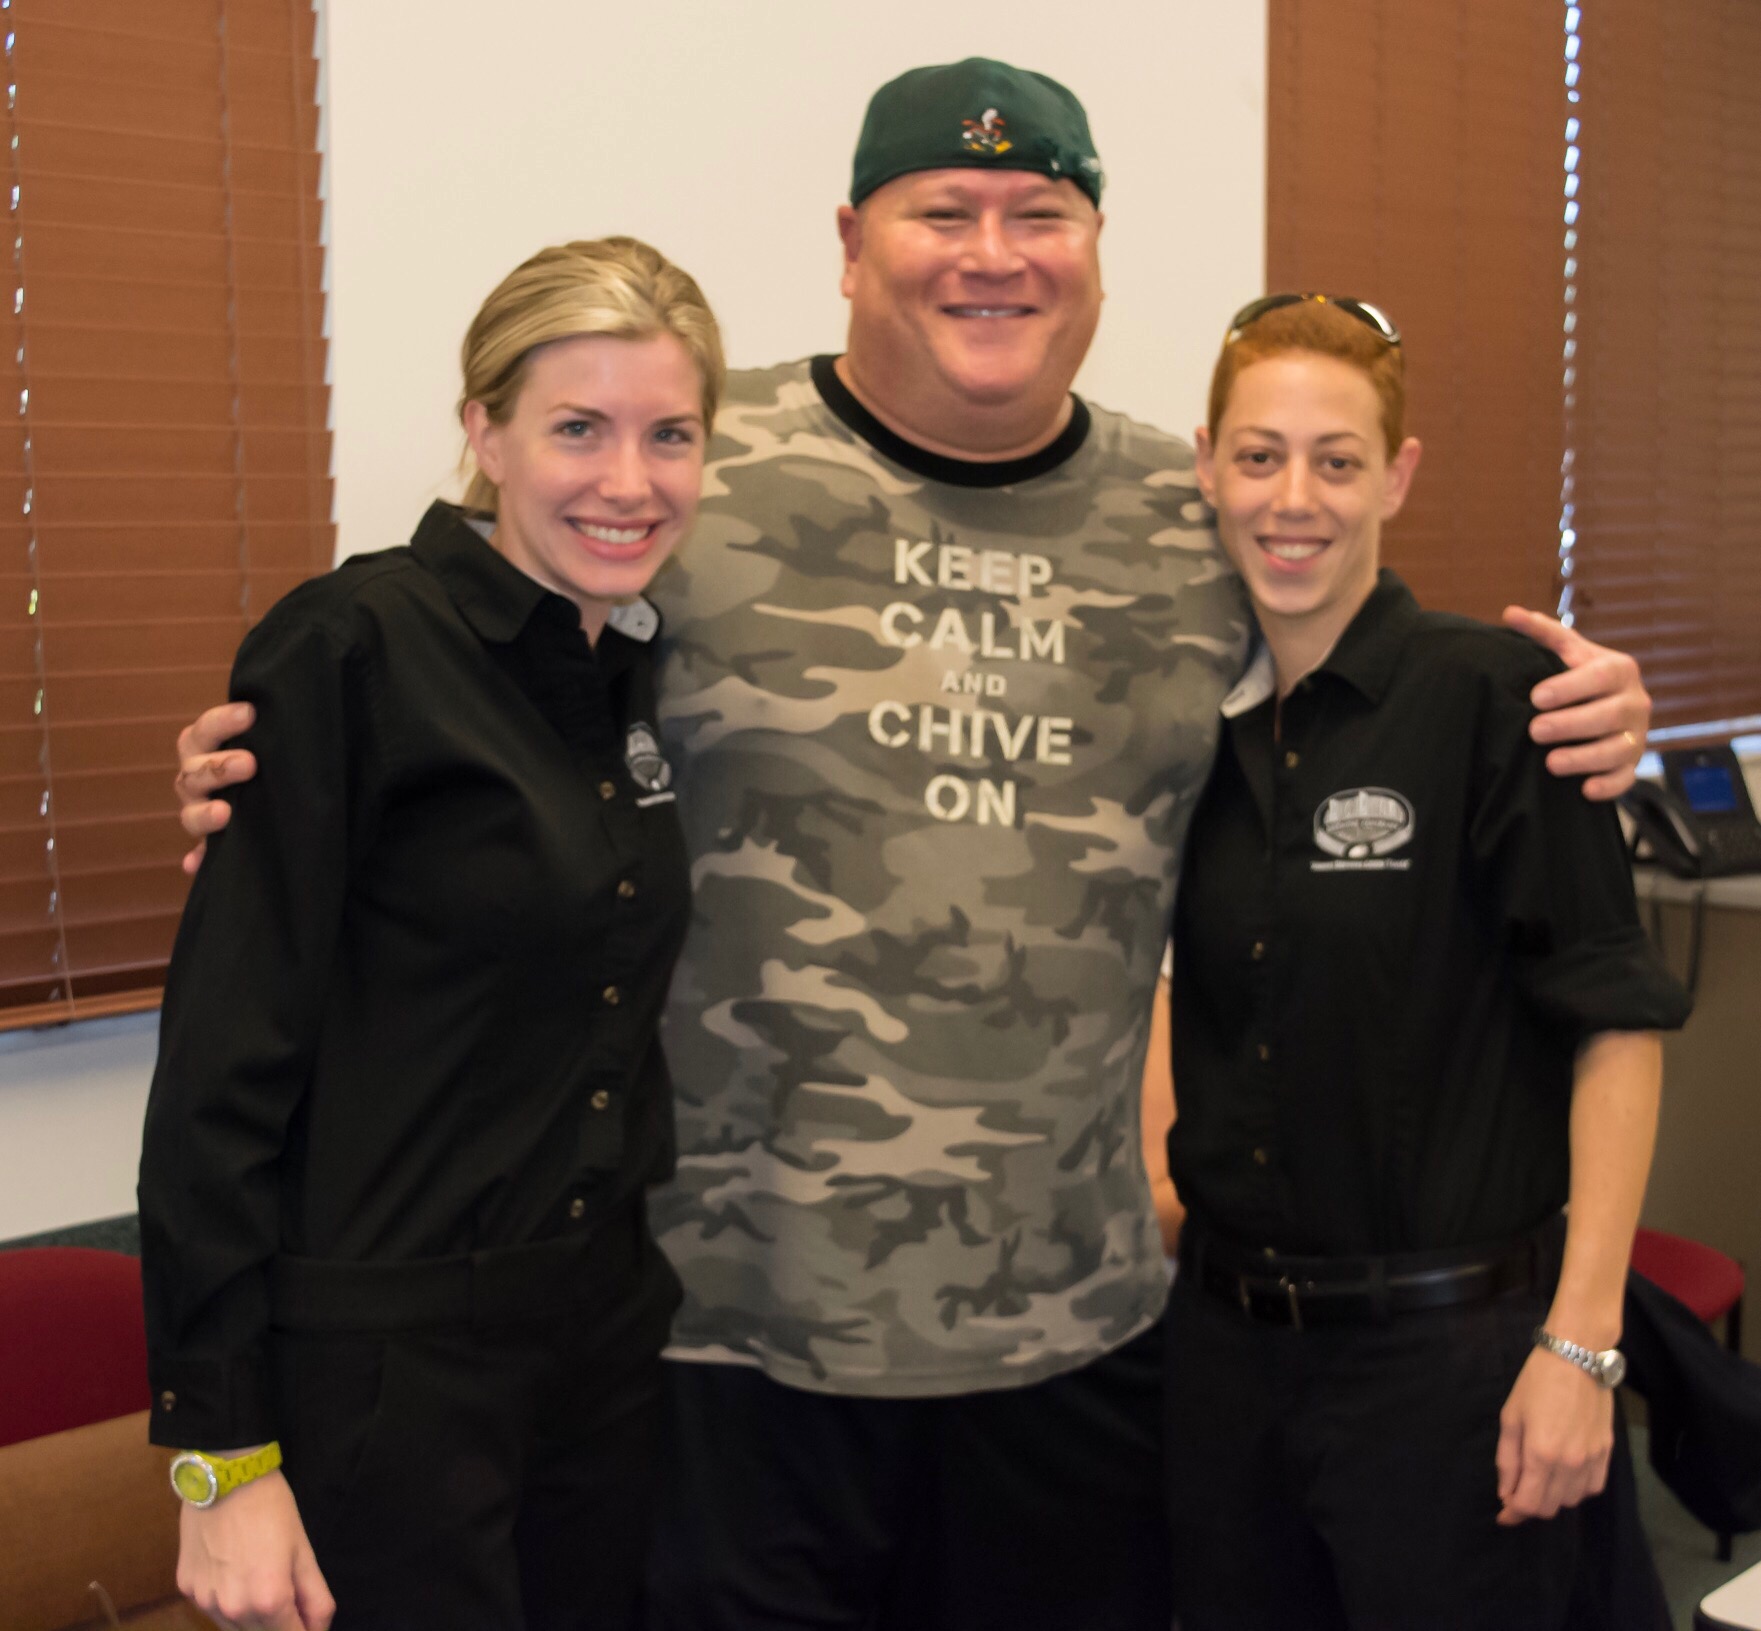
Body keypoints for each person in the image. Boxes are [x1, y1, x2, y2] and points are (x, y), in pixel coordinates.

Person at [172, 61, 1655, 1631]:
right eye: (941, 211)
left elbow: (1360, 675)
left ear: (1095, 243)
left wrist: (1584, 710)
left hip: (1077, 1346)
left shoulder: (1194, 506)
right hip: (712, 1342)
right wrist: (259, 778)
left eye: (1042, 213)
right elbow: (454, 677)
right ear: (849, 239)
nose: (992, 252)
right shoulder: (675, 463)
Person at [139, 236, 723, 1631]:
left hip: (598, 1342)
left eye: (670, 435)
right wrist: (220, 1460)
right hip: (386, 1369)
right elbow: (223, 1066)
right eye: (575, 428)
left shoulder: (633, 660)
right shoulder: (354, 649)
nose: (625, 480)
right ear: (484, 432)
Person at [1160, 292, 1692, 1630]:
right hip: (1225, 1364)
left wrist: (1579, 1348)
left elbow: (1611, 1026)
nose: (1294, 498)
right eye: (1259, 454)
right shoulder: (1184, 727)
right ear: (1204, 465)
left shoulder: (1499, 706)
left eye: (1335, 460)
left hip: (1449, 1368)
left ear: (1394, 476)